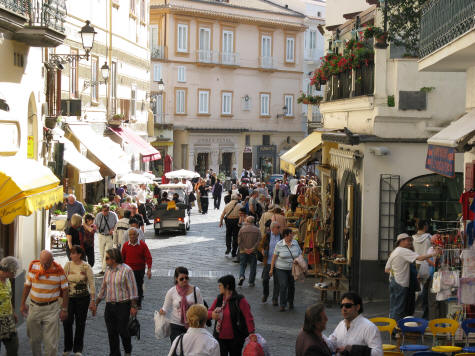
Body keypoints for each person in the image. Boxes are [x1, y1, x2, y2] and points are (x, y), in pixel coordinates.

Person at [20, 250, 69, 356]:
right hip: (34, 308)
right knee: (34, 340)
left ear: (52, 260)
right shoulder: (34, 267)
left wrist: (64, 309)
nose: (44, 265)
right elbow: (27, 286)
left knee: (51, 343)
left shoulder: (59, 270)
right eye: (42, 263)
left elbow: (65, 290)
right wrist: (22, 304)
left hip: (51, 308)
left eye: (47, 263)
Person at [385, 233, 439, 322]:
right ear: (401, 241)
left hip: (394, 282)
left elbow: (387, 269)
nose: (410, 242)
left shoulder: (395, 251)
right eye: (407, 240)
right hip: (400, 283)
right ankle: (397, 330)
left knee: (394, 307)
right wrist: (434, 254)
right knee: (399, 309)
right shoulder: (403, 251)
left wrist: (396, 273)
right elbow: (420, 258)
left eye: (410, 240)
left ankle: (394, 329)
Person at [95, 248, 138, 356]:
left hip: (123, 305)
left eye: (107, 258)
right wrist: (96, 302)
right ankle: (114, 353)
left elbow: (132, 289)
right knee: (111, 333)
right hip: (109, 306)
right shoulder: (108, 270)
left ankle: (127, 351)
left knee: (123, 331)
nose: (105, 260)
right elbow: (103, 288)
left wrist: (133, 306)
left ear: (114, 259)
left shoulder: (127, 270)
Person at [208, 275, 255, 356]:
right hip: (220, 338)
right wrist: (212, 315)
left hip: (236, 338)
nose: (218, 287)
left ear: (227, 286)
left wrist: (251, 332)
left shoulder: (240, 300)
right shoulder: (219, 299)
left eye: (220, 285)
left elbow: (248, 317)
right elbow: (209, 312)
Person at [62, 245, 96, 356]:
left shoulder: (86, 267)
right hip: (69, 298)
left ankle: (78, 349)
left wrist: (92, 300)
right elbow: (62, 281)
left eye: (73, 253)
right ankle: (67, 347)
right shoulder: (68, 265)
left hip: (83, 299)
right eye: (70, 253)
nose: (70, 255)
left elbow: (91, 283)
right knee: (67, 322)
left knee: (80, 323)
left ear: (79, 255)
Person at [160, 266, 204, 342]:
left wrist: (202, 325)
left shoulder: (196, 290)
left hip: (193, 325)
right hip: (175, 325)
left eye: (186, 278)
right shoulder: (171, 291)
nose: (184, 280)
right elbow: (165, 308)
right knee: (177, 350)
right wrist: (162, 311)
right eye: (181, 279)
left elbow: (202, 308)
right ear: (176, 279)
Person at [269, 228, 301, 311]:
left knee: (291, 286)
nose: (292, 236)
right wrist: (271, 269)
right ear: (286, 236)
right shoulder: (279, 244)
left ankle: (290, 302)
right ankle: (282, 304)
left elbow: (300, 253)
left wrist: (298, 260)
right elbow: (274, 258)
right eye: (291, 235)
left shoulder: (295, 243)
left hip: (292, 268)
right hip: (281, 268)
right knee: (283, 285)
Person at [121, 228, 152, 309]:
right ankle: (129, 302)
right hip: (128, 270)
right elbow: (122, 258)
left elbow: (148, 257)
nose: (132, 236)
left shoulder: (142, 245)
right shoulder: (125, 245)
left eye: (134, 234)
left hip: (139, 269)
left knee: (138, 285)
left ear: (138, 235)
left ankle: (138, 303)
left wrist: (149, 269)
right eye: (130, 235)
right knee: (128, 286)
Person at [0, 257, 20, 356]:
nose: (15, 273)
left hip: (8, 319)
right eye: (14, 271)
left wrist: (13, 313)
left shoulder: (7, 281)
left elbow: (8, 298)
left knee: (13, 346)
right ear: (8, 269)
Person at [413, 220, 432, 319]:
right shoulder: (429, 238)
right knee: (425, 289)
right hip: (426, 264)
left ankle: (412, 310)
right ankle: (425, 313)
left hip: (416, 264)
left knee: (415, 289)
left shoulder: (412, 238)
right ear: (425, 226)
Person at [259, 221, 282, 304]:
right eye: (278, 227)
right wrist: (262, 250)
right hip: (268, 262)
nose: (279, 229)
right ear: (272, 228)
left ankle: (275, 298)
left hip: (279, 263)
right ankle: (265, 294)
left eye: (279, 227)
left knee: (277, 281)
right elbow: (260, 245)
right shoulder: (268, 236)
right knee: (265, 279)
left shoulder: (282, 236)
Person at [95, 204, 118, 275]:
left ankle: (105, 270)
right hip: (101, 235)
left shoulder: (113, 215)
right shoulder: (98, 215)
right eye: (103, 211)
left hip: (109, 236)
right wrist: (96, 228)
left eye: (106, 211)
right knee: (102, 253)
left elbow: (117, 224)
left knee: (107, 253)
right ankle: (104, 268)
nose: (104, 212)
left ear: (109, 210)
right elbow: (95, 225)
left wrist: (113, 229)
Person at [237, 216, 261, 287]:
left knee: (242, 265)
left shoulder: (242, 229)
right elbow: (259, 241)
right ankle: (251, 281)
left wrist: (244, 249)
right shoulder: (257, 230)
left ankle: (241, 276)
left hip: (243, 251)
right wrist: (253, 248)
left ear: (247, 221)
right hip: (253, 252)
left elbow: (239, 241)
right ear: (253, 222)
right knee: (253, 266)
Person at [220, 194, 242, 258]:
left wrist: (221, 222)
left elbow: (222, 215)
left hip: (228, 221)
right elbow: (241, 215)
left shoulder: (227, 205)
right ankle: (234, 251)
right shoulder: (240, 206)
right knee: (235, 236)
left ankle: (228, 248)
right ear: (237, 199)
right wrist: (240, 222)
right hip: (236, 221)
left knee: (228, 235)